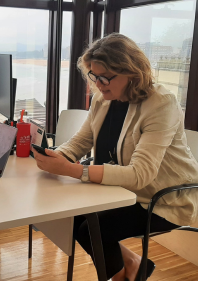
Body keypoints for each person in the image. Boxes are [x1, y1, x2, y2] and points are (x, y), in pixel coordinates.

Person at [32, 33, 198, 281]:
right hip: (121, 189)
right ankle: (133, 264)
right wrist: (56, 157)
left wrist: (72, 170)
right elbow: (82, 140)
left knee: (93, 228)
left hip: (164, 198)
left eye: (105, 77)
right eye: (94, 76)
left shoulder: (161, 103)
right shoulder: (102, 99)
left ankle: (122, 275)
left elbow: (140, 175)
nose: (98, 84)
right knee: (72, 214)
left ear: (132, 72)